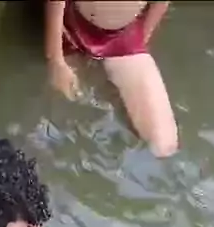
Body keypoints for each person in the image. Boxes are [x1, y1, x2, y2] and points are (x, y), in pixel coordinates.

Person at [44, 1, 178, 157]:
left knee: (164, 144)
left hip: (124, 37)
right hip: (72, 29)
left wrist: (142, 39)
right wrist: (56, 60)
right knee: (65, 111)